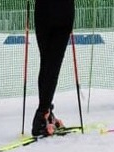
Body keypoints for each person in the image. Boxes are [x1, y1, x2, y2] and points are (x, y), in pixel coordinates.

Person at [30, 0, 75, 136]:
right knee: (52, 64)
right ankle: (42, 114)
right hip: (62, 11)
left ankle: (46, 111)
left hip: (43, 11)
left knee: (46, 63)